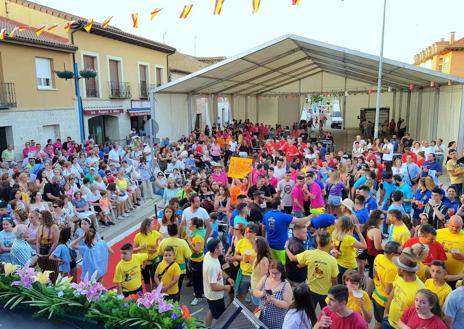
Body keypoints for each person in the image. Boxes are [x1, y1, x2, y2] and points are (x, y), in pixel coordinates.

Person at [288, 231, 339, 310]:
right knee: (326, 314)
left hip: (311, 290)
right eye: (331, 241)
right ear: (329, 243)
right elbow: (334, 280)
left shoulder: (309, 254)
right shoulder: (332, 260)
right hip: (326, 293)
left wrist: (286, 248)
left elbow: (292, 258)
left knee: (309, 313)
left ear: (317, 242)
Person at [383, 246, 426, 329]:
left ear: (402, 269)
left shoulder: (419, 291)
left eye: (397, 266)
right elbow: (393, 291)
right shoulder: (399, 277)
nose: (396, 268)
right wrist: (386, 311)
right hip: (389, 320)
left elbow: (418, 316)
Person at [262, 196, 312, 264]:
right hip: (281, 247)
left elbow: (263, 228)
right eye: (282, 203)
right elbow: (300, 221)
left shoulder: (266, 215)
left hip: (270, 245)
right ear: (278, 205)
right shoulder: (284, 216)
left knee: (273, 264)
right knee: (282, 266)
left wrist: (265, 240)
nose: (283, 204)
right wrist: (311, 216)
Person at [252, 260, 294, 329]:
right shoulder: (265, 278)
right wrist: (262, 293)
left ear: (282, 272)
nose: (274, 276)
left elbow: (287, 304)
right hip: (261, 316)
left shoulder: (286, 285)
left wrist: (273, 300)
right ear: (269, 271)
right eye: (272, 273)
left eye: (277, 273)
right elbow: (255, 291)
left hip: (276, 321)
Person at [203, 239, 234, 327]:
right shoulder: (212, 266)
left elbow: (219, 270)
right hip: (215, 296)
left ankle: (207, 327)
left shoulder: (209, 255)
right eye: (221, 246)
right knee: (220, 319)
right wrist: (226, 287)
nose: (223, 248)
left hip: (210, 295)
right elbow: (213, 286)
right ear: (216, 250)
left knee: (212, 311)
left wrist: (227, 277)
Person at [372, 241, 401, 329]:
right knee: (385, 325)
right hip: (384, 301)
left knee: (378, 323)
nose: (401, 254)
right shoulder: (392, 269)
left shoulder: (378, 257)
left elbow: (374, 272)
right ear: (392, 254)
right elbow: (389, 291)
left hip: (376, 294)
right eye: (400, 252)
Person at [158, 224, 192, 301]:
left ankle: (166, 305)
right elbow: (188, 256)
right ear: (177, 231)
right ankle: (176, 304)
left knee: (166, 288)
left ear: (168, 232)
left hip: (166, 269)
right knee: (177, 288)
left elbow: (159, 253)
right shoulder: (182, 242)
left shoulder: (164, 242)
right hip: (180, 269)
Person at [331, 216, 367, 282]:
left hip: (338, 264)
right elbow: (364, 246)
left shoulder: (334, 234)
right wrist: (359, 232)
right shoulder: (348, 239)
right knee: (351, 285)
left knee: (341, 284)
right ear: (349, 226)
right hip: (350, 266)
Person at [233, 222, 259, 302]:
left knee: (257, 298)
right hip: (244, 274)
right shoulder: (242, 242)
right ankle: (239, 311)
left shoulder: (259, 243)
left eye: (249, 232)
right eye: (246, 231)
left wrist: (255, 261)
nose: (247, 233)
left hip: (256, 275)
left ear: (255, 233)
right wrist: (242, 258)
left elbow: (265, 257)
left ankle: (256, 313)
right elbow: (235, 256)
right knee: (241, 295)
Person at [133, 218, 161, 292]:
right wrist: (141, 247)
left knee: (155, 278)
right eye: (152, 224)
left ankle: (154, 294)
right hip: (144, 262)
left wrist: (155, 250)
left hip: (154, 260)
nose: (154, 225)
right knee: (146, 279)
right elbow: (133, 250)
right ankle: (148, 294)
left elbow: (161, 246)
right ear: (147, 226)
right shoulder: (138, 236)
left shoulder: (156, 234)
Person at [436, 215, 464, 288]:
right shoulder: (438, 233)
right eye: (452, 226)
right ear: (448, 224)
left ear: (462, 225)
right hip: (438, 274)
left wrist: (462, 257)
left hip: (457, 277)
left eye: (458, 227)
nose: (454, 229)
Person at [187, 217, 206, 306]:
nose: (188, 225)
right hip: (195, 259)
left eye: (190, 224)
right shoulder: (195, 233)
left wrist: (189, 242)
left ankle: (198, 296)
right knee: (198, 278)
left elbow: (197, 250)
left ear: (194, 226)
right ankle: (200, 293)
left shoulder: (197, 236)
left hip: (197, 261)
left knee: (196, 279)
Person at [251, 236, 271, 306]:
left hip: (259, 291)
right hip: (254, 288)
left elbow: (264, 278)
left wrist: (260, 293)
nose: (252, 246)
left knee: (258, 312)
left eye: (254, 244)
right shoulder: (258, 256)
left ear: (259, 246)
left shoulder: (263, 260)